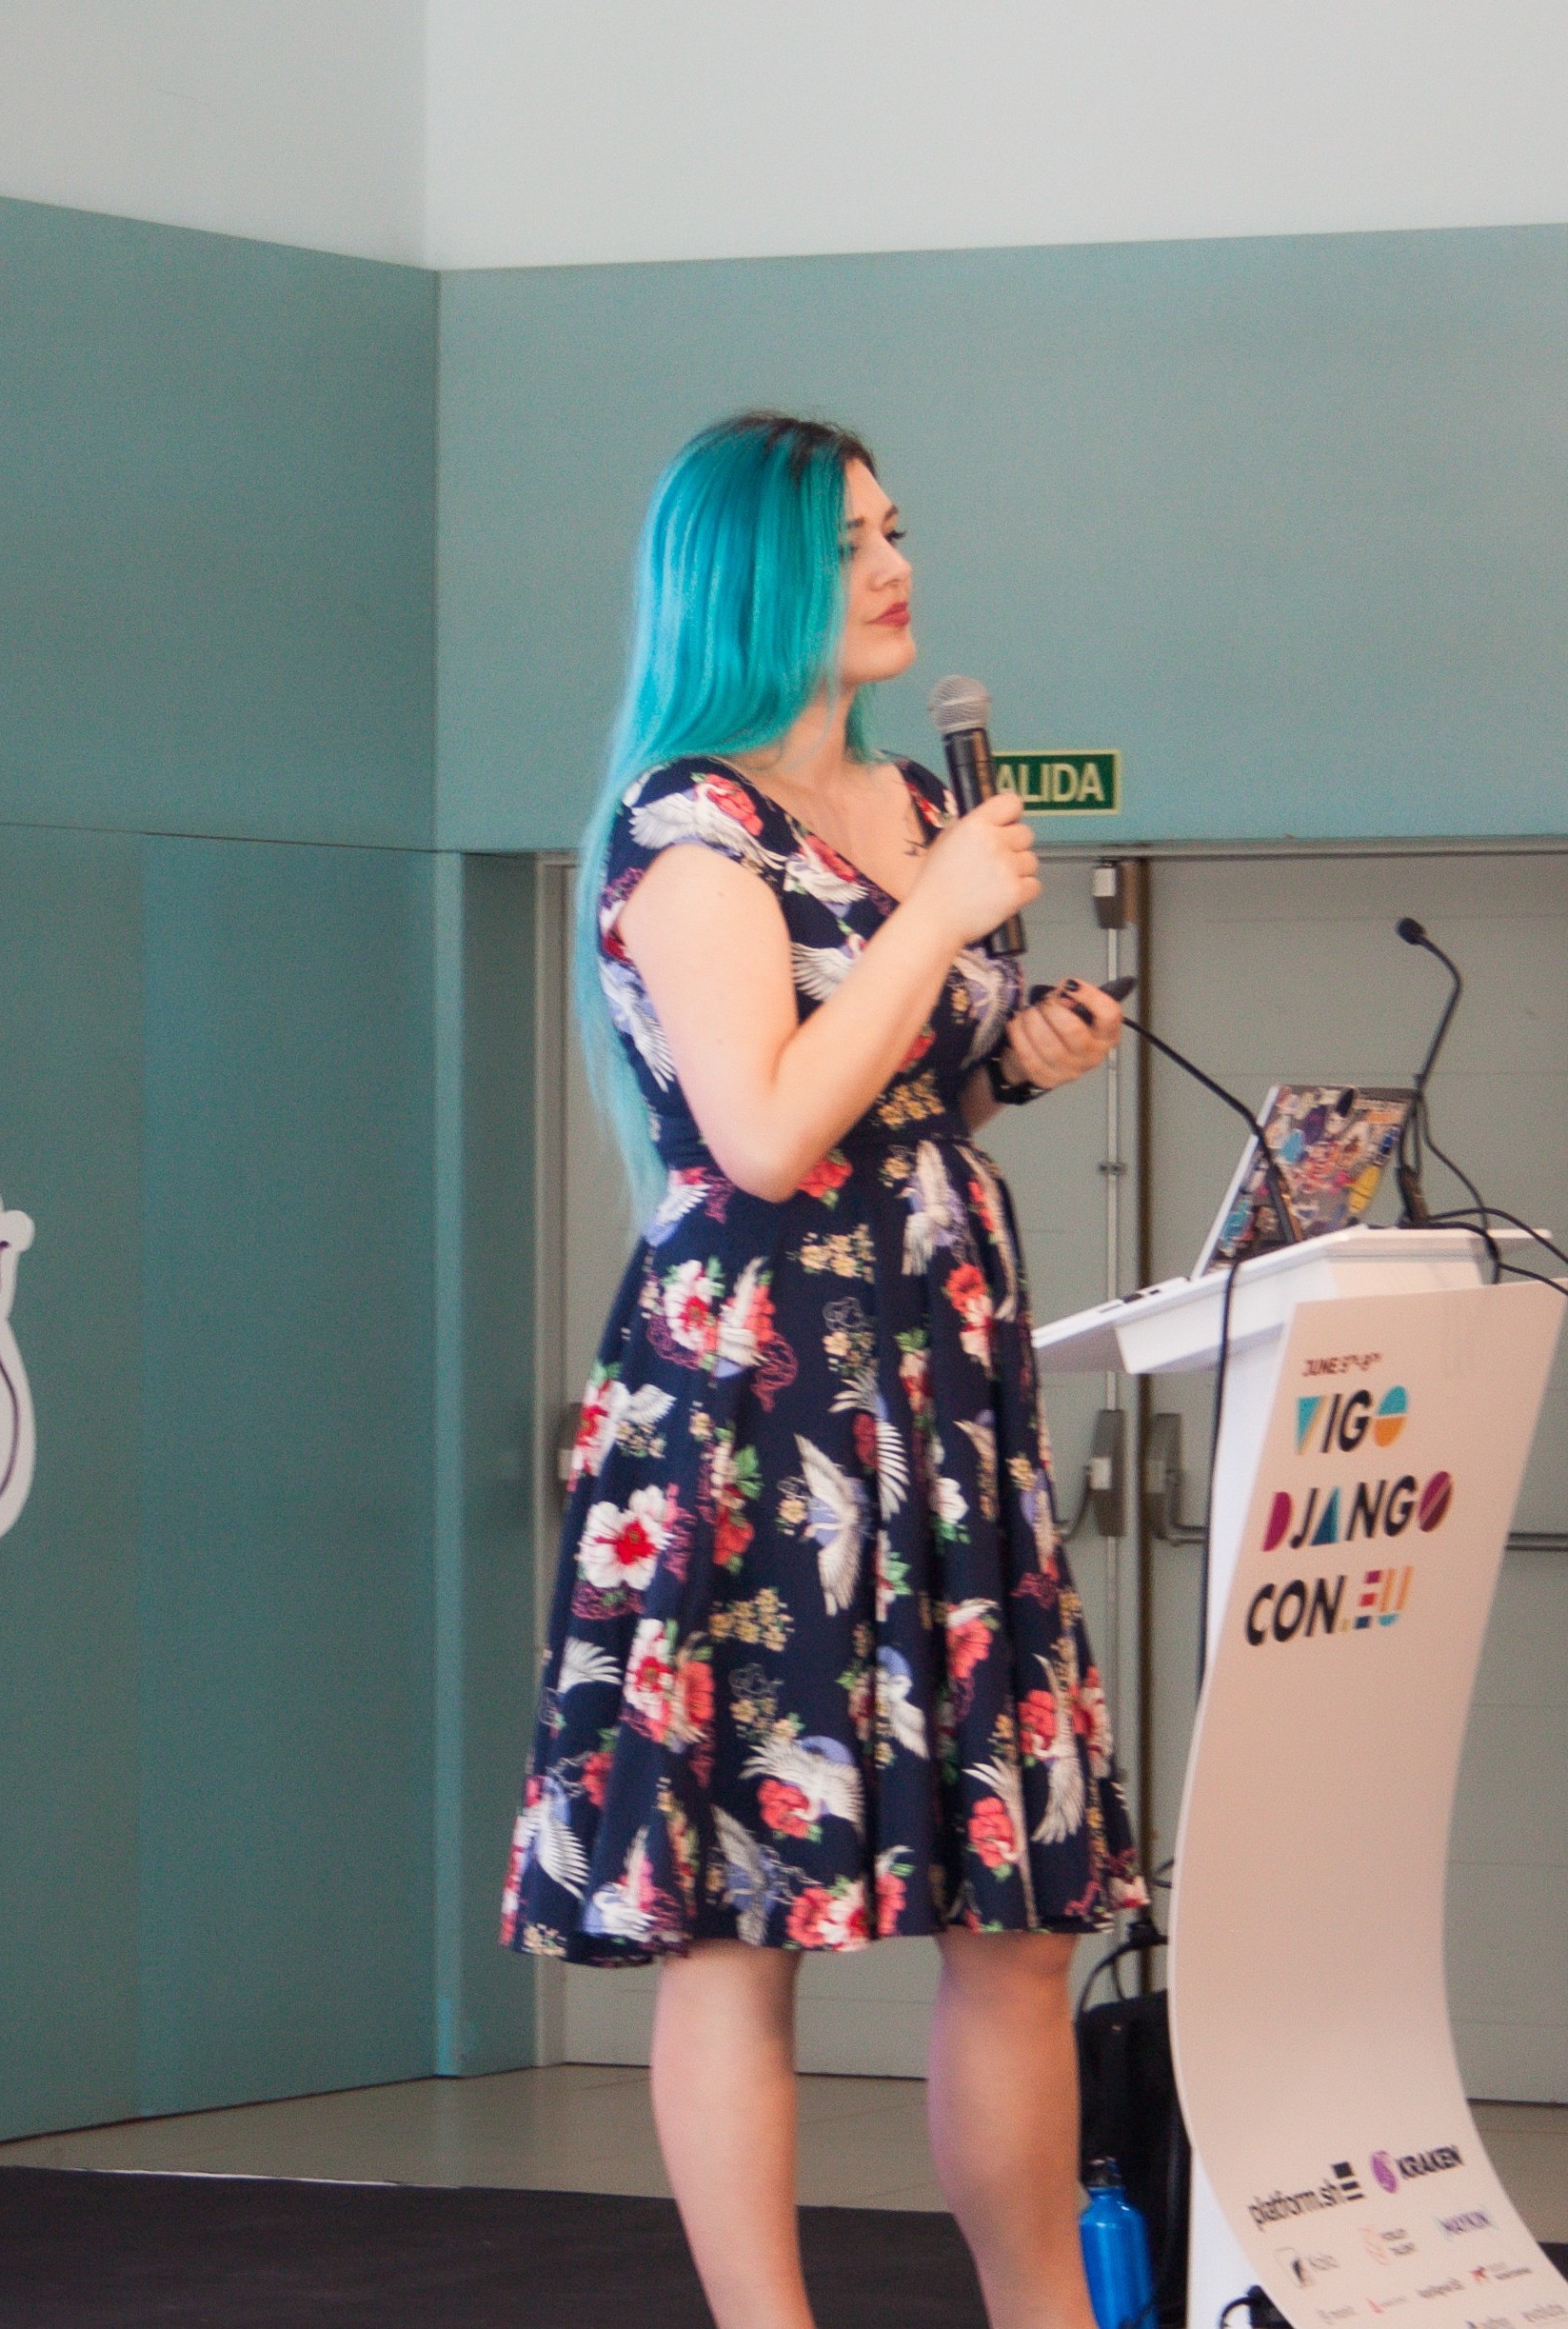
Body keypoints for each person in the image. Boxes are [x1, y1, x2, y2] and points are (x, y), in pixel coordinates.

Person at [502, 411, 1146, 2329]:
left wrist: (1005, 1056)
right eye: (847, 540)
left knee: (1021, 1911)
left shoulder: (900, 802)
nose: (893, 567)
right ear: (750, 580)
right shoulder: (683, 825)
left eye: (895, 529)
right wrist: (937, 925)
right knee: (733, 1921)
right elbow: (767, 1131)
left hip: (942, 1413)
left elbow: (890, 1084)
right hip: (751, 1419)